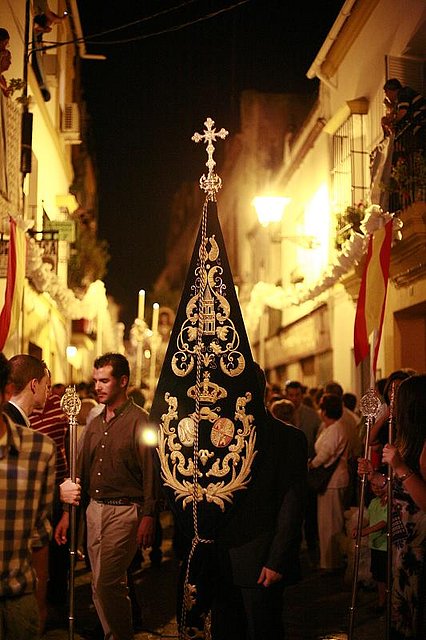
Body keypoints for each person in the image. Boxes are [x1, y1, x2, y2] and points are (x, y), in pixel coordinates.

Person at [55, 352, 158, 640]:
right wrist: (68, 513)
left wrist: (148, 515)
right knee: (102, 584)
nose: (98, 386)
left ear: (122, 381)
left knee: (107, 582)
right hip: (94, 510)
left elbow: (150, 472)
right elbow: (82, 470)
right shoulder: (95, 421)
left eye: (105, 380)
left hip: (124, 512)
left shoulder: (140, 421)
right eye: (95, 380)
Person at [210, 364, 308, 639]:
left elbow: (292, 505)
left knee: (263, 629)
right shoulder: (217, 438)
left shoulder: (287, 438)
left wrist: (277, 560)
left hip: (261, 560)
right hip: (221, 560)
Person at [359, 374, 426, 639]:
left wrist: (399, 467)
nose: (392, 404)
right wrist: (375, 476)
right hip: (402, 541)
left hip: (418, 546)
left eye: (399, 399)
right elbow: (401, 491)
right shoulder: (408, 439)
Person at [0, 352, 56, 639]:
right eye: (47, 385)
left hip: (16, 593)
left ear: (5, 391)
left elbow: (39, 533)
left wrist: (39, 599)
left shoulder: (38, 449)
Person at [309, 393, 351, 571]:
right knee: (329, 522)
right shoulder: (334, 427)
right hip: (333, 480)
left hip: (333, 481)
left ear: (324, 410)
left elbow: (325, 454)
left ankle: (332, 562)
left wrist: (312, 464)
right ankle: (331, 560)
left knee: (331, 523)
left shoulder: (335, 429)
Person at [285, 379, 321, 565]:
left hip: (307, 470)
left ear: (302, 395)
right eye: (291, 395)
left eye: (297, 395)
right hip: (288, 473)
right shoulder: (281, 413)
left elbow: (318, 441)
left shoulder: (312, 415)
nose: (294, 399)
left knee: (309, 510)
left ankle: (312, 545)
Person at [352, 472, 388, 614]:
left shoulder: (391, 502)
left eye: (380, 485)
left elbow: (383, 522)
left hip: (385, 545)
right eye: (373, 485)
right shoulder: (374, 502)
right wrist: (359, 527)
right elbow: (370, 519)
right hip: (376, 545)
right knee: (379, 576)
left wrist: (365, 532)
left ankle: (388, 602)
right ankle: (381, 602)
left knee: (386, 576)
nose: (376, 488)